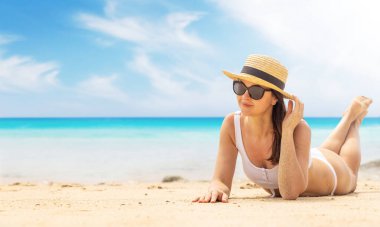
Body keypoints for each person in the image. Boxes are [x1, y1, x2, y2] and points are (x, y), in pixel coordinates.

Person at [192, 54, 373, 202]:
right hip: (307, 159)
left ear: (275, 99)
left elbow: (290, 193)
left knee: (350, 169)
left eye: (256, 91)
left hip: (333, 174)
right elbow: (221, 181)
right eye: (240, 87)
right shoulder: (231, 124)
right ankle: (349, 116)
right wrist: (216, 188)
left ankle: (354, 119)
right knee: (323, 150)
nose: (245, 96)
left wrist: (287, 132)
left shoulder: (297, 128)